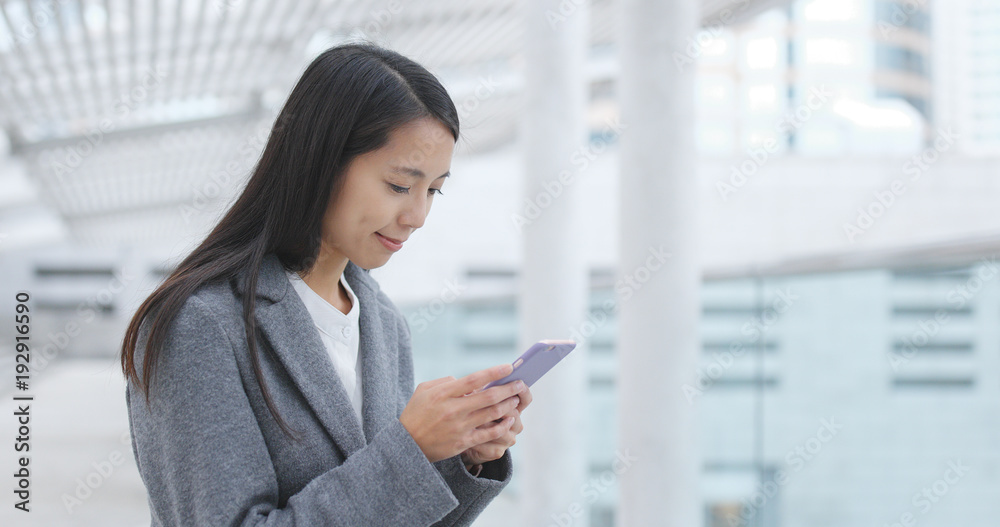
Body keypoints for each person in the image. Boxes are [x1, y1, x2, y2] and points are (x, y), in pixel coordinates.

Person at [119, 42, 531, 526]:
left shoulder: (382, 322)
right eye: (400, 185)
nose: (418, 215)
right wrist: (411, 450)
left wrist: (461, 457)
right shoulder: (200, 326)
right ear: (321, 162)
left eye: (433, 190)